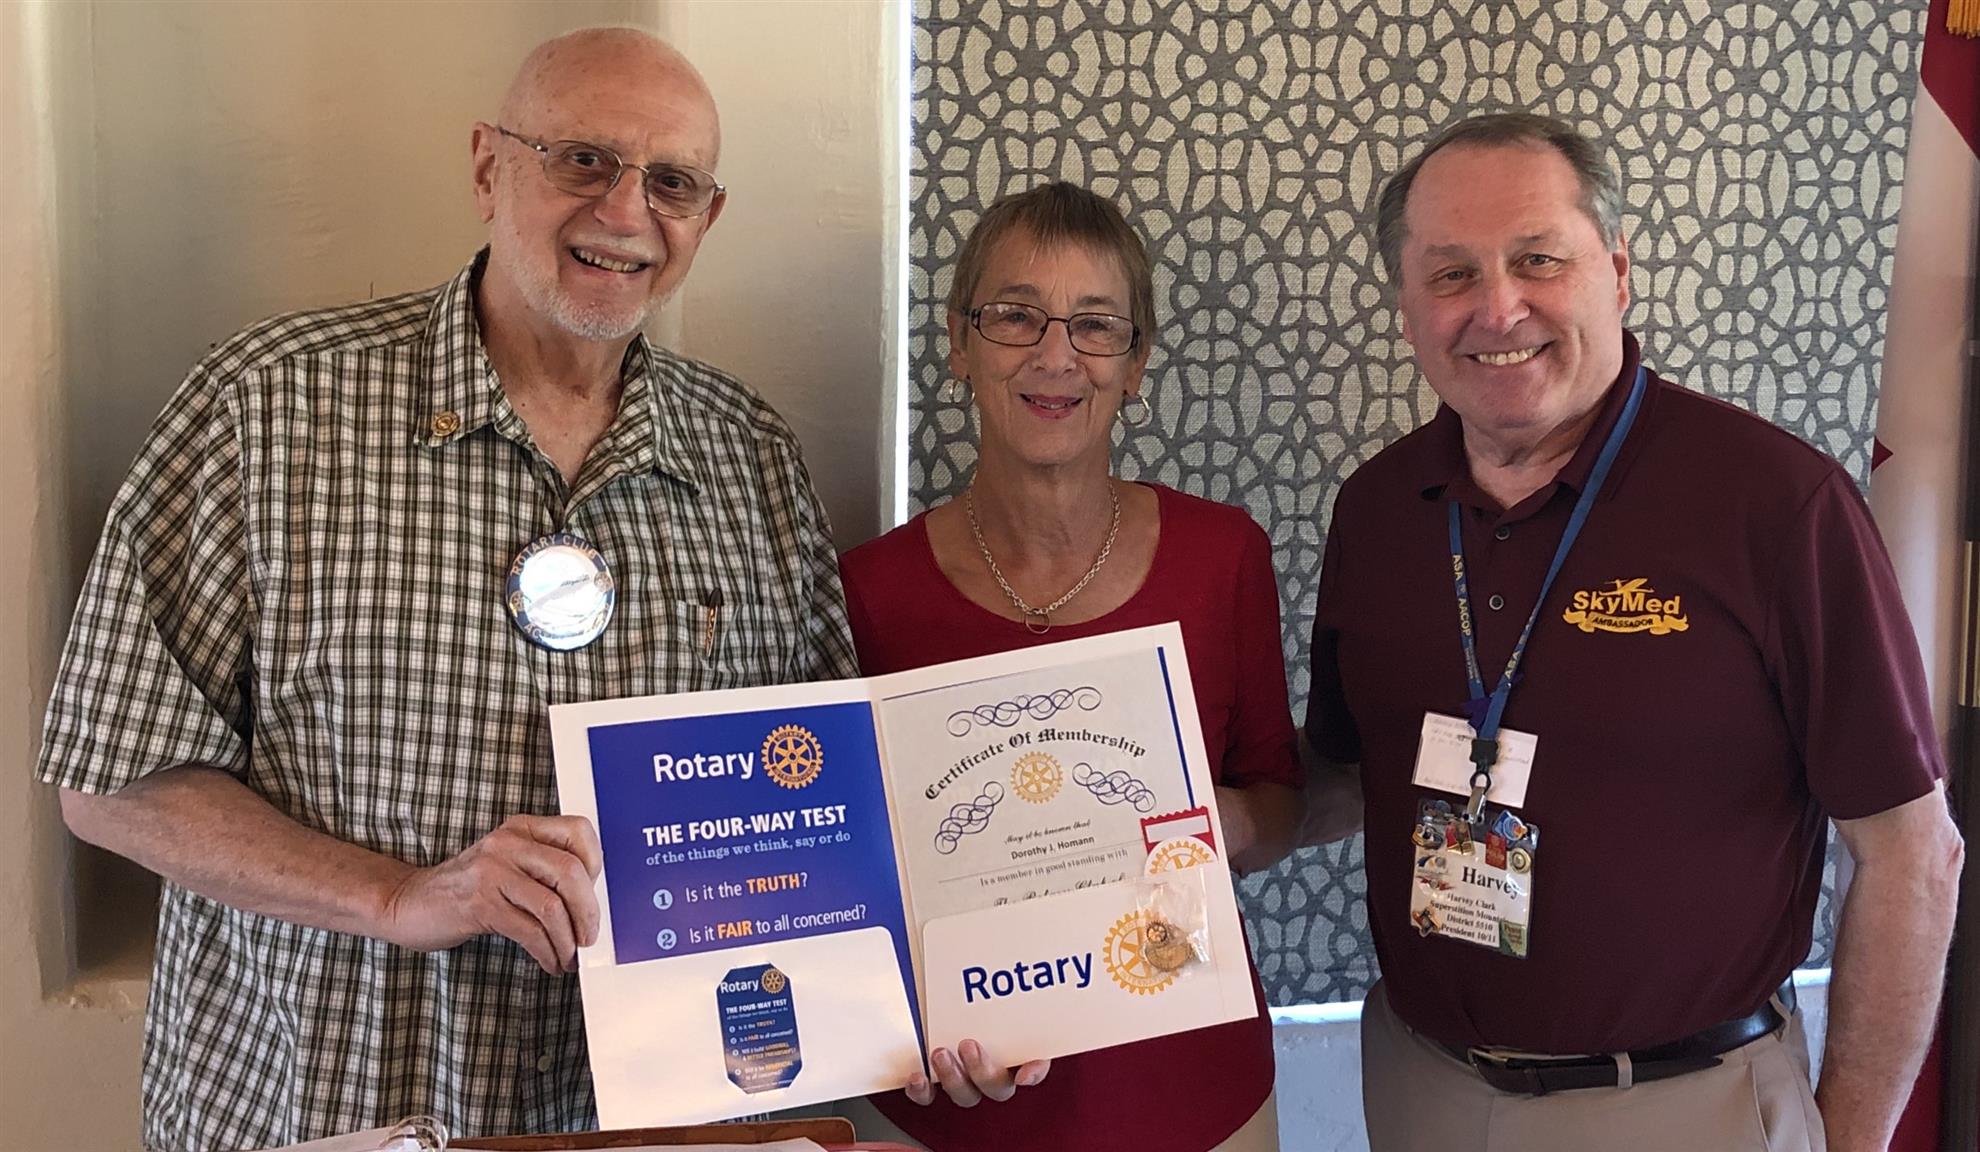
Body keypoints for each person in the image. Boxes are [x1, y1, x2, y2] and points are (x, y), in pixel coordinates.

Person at [36, 28, 855, 1152]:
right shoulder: (268, 410)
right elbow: (112, 780)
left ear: (706, 218)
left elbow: (820, 828)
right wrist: (399, 896)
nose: (625, 211)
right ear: (486, 167)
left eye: (671, 182)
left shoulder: (752, 458)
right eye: (583, 159)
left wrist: (952, 1004)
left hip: (639, 1124)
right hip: (325, 1109)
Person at [1300, 111, 1965, 1152]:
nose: (1498, 308)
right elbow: (1345, 779)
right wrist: (1173, 820)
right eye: (1452, 273)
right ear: (1407, 307)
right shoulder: (1378, 509)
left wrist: (1849, 1136)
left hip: (1686, 1106)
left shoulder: (1775, 504)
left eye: (1538, 259)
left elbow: (1912, 855)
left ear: (1615, 271)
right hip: (1420, 1087)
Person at [836, 181, 1301, 1151]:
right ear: (959, 344)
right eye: (1015, 316)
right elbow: (852, 875)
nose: (1055, 357)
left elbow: (1280, 802)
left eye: (1095, 325)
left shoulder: (1223, 557)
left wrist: (1218, 820)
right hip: (950, 1105)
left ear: (1136, 364)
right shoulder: (869, 590)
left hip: (1194, 1092)